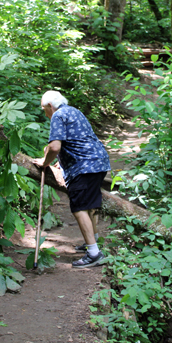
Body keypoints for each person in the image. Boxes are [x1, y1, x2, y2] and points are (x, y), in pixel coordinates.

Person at [33, 90, 111, 268]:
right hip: (98, 161)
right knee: (89, 204)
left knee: (80, 207)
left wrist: (45, 162)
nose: (44, 112)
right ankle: (92, 242)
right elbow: (78, 140)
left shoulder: (58, 115)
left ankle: (94, 253)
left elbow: (54, 146)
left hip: (83, 166)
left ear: (50, 106)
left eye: (43, 109)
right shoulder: (74, 111)